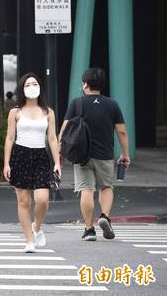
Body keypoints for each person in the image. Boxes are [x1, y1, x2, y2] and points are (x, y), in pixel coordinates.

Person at [59, 68, 130, 242]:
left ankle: (89, 229)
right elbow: (121, 131)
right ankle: (105, 216)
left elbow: (64, 131)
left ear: (85, 84)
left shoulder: (77, 103)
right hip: (105, 155)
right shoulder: (112, 104)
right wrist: (125, 154)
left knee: (86, 190)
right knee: (106, 187)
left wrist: (60, 153)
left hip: (82, 155)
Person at [2, 73, 61, 252]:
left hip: (41, 156)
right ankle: (29, 240)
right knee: (24, 201)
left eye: (35, 83)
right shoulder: (15, 112)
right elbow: (10, 138)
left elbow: (52, 138)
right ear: (22, 88)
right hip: (20, 155)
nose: (32, 86)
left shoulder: (48, 111)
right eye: (28, 84)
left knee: (42, 200)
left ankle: (37, 227)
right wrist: (6, 163)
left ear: (40, 87)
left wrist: (57, 162)